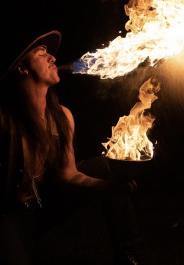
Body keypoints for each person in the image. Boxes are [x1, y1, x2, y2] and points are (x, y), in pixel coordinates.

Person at [0, 30, 142, 265]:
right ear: (22, 68)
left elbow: (68, 174)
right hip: (7, 216)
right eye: (41, 54)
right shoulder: (5, 121)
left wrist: (106, 187)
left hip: (42, 206)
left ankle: (129, 256)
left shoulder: (62, 117)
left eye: (50, 55)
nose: (52, 58)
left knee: (104, 166)